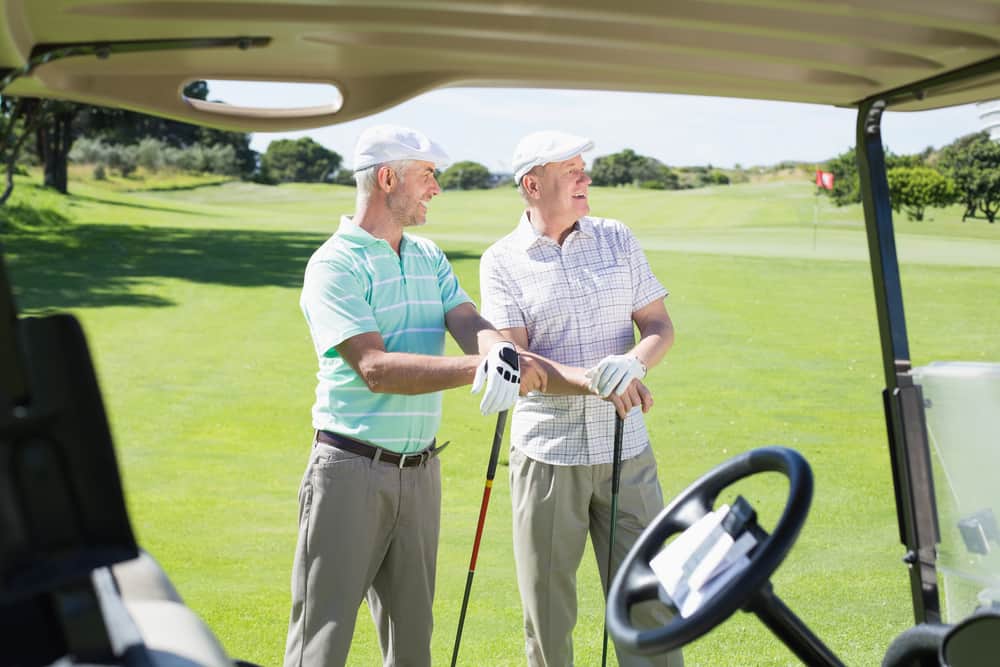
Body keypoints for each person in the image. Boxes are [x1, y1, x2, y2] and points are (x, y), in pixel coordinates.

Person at [283, 124, 544, 667]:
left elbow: (467, 317)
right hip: (349, 472)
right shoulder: (334, 265)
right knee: (321, 641)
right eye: (427, 176)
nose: (435, 189)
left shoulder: (426, 256)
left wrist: (497, 350)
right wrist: (480, 367)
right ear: (386, 178)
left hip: (421, 473)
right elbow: (375, 368)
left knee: (412, 646)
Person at [479, 130, 682, 667]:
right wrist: (599, 380)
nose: (585, 178)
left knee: (650, 602)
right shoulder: (501, 260)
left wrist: (635, 362)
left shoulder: (616, 237)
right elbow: (518, 362)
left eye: (583, 168)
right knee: (548, 616)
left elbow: (658, 323)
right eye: (571, 170)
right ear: (532, 184)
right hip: (548, 456)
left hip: (627, 450)